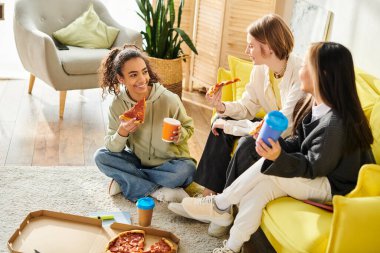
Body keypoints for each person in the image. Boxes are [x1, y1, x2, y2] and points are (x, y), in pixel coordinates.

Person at [176, 42, 375, 253]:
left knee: (270, 170)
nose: (300, 69)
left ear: (322, 74)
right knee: (262, 189)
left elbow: (314, 168)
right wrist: (277, 146)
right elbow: (299, 142)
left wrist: (278, 157)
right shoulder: (312, 105)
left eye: (305, 65)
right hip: (317, 175)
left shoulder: (336, 123)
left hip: (334, 188)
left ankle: (220, 203)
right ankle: (231, 248)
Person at [194, 14, 304, 197]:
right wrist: (221, 107)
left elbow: (283, 127)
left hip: (289, 135)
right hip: (270, 125)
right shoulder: (261, 69)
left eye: (251, 46)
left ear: (268, 47)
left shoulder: (300, 74)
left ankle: (225, 203)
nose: (246, 51)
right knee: (220, 119)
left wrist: (231, 126)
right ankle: (209, 194)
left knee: (247, 142)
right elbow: (247, 106)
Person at [94, 45, 196, 203]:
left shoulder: (169, 99)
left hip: (170, 163)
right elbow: (112, 147)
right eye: (133, 75)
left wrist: (179, 134)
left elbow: (189, 127)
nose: (142, 79)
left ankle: (128, 181)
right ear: (121, 79)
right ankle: (157, 190)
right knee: (101, 157)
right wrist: (122, 132)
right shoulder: (118, 105)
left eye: (144, 72)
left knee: (187, 170)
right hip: (139, 161)